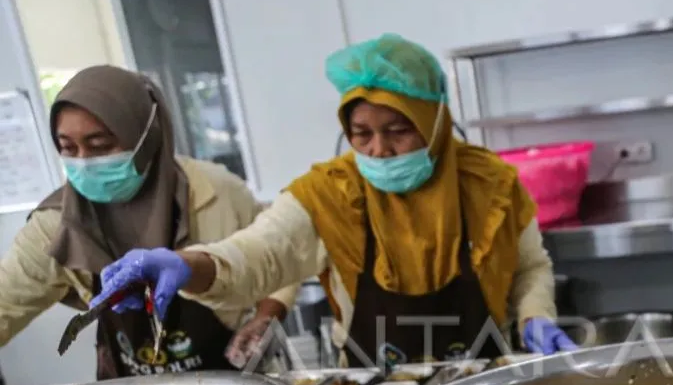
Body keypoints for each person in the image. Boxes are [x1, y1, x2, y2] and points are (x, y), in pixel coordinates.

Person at [97, 35, 572, 366]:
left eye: (399, 130)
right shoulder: (330, 193)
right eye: (361, 133)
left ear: (435, 123)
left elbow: (529, 267)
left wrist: (535, 316)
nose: (378, 150)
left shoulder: (490, 184)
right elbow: (259, 253)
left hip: (483, 381)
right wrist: (188, 264)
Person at [0, 66, 296, 378]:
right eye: (69, 148)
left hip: (234, 383)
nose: (84, 162)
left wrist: (265, 316)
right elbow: (6, 303)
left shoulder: (217, 192)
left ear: (146, 137)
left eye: (100, 146)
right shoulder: (57, 225)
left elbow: (278, 258)